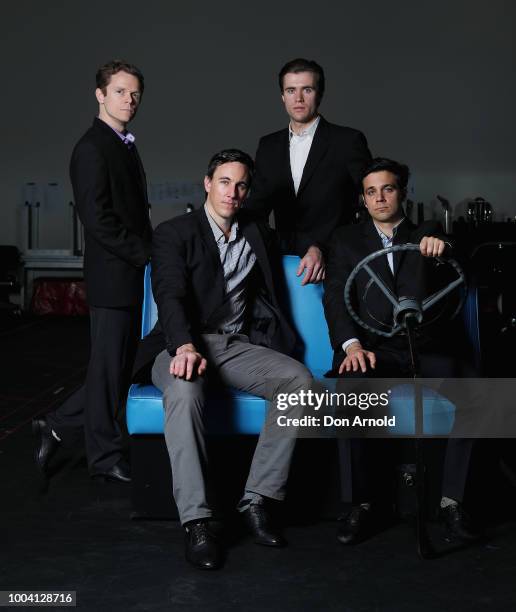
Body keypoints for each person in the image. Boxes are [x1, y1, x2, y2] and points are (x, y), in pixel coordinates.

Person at [132, 149, 312, 570]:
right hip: (178, 344)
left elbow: (295, 241)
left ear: (248, 192)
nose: (233, 192)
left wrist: (316, 249)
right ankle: (197, 522)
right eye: (225, 182)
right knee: (184, 388)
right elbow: (170, 292)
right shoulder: (174, 233)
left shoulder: (257, 234)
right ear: (208, 183)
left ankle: (257, 500)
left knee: (298, 381)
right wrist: (184, 347)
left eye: (241, 184)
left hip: (234, 345)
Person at [323, 157, 478, 544]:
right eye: (371, 191)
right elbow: (336, 300)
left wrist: (442, 248)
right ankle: (360, 505)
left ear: (402, 193)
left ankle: (451, 502)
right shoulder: (345, 240)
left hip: (426, 347)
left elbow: (454, 255)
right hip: (374, 348)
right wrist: (352, 345)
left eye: (388, 189)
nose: (380, 198)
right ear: (362, 198)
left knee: (480, 396)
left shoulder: (426, 231)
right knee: (348, 392)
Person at [33, 60, 152, 483]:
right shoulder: (91, 147)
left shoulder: (123, 144)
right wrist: (147, 253)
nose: (129, 100)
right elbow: (98, 221)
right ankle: (103, 457)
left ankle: (60, 422)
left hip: (131, 274)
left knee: (120, 368)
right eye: (120, 91)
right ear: (100, 95)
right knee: (108, 368)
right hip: (113, 275)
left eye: (135, 93)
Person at [244, 58, 371, 285]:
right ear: (282, 96)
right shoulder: (268, 145)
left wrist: (325, 248)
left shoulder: (348, 141)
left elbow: (371, 205)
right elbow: (257, 209)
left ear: (319, 94)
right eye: (291, 90)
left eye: (307, 89)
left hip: (339, 264)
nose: (298, 98)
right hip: (285, 262)